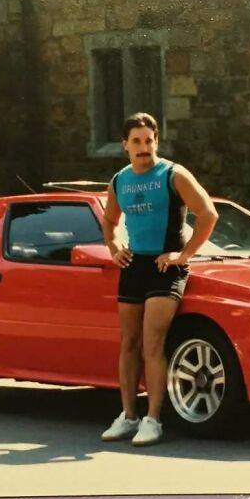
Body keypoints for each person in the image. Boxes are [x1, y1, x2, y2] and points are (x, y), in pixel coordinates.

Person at [100, 112, 218, 446]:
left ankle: (153, 420)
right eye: (136, 141)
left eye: (149, 140)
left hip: (166, 267)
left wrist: (185, 255)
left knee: (152, 344)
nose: (143, 147)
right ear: (124, 145)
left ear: (156, 141)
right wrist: (113, 246)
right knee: (129, 344)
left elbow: (208, 213)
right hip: (134, 266)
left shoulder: (172, 174)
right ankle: (127, 416)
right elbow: (109, 221)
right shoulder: (119, 181)